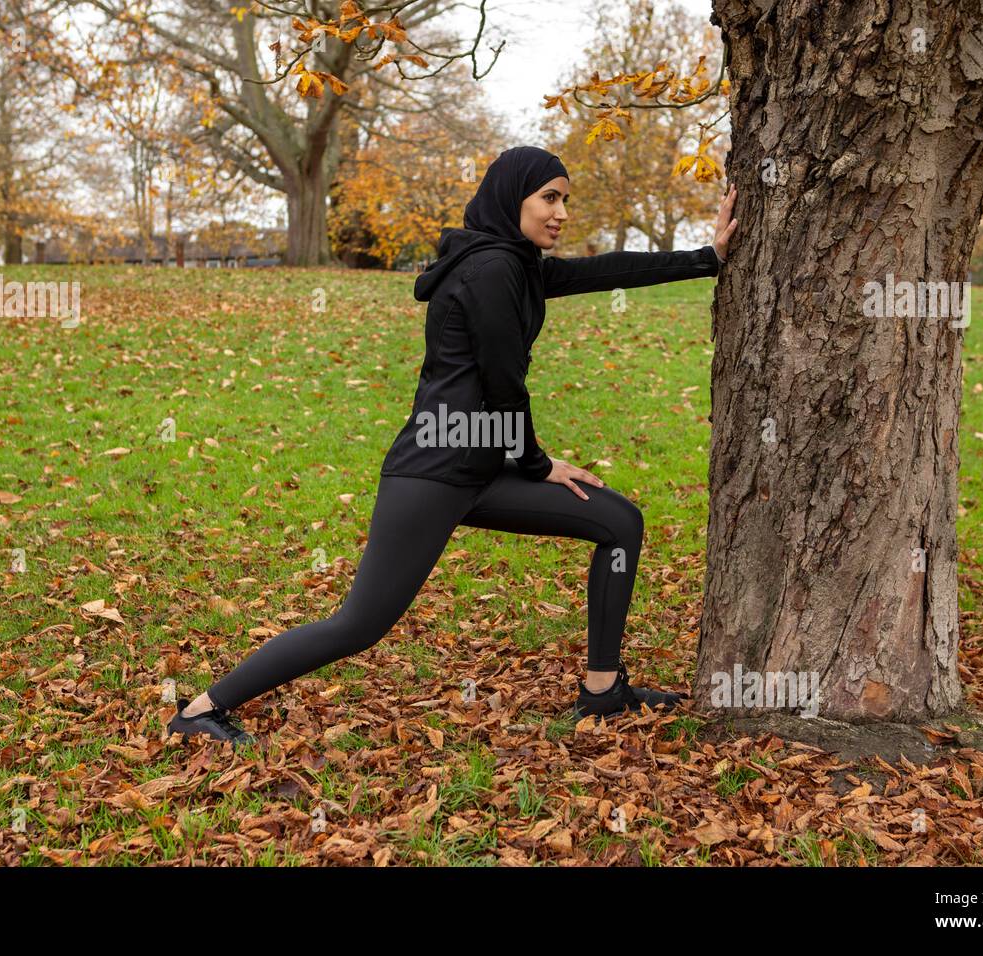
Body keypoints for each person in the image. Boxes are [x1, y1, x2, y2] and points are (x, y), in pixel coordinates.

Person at [167, 146, 739, 744]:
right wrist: (538, 464)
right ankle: (202, 709)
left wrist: (708, 258)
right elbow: (502, 382)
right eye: (549, 197)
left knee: (619, 521)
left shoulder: (515, 264)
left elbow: (602, 271)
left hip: (480, 466)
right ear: (509, 198)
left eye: (565, 199)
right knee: (359, 624)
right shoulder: (490, 271)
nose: (561, 211)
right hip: (436, 471)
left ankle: (603, 691)